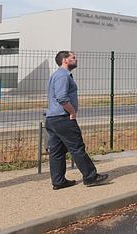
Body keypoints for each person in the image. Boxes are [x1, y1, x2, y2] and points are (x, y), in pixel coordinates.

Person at [45, 51, 108, 189]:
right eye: (73, 57)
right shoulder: (63, 76)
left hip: (52, 118)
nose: (76, 59)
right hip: (63, 118)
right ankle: (91, 176)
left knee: (57, 151)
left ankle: (58, 181)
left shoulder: (56, 75)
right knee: (77, 147)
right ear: (65, 60)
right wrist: (72, 111)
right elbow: (61, 97)